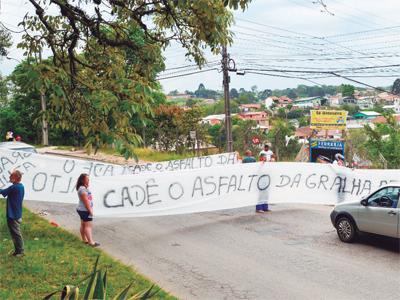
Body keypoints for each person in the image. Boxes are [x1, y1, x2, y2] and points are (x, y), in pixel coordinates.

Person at [0, 170, 25, 257]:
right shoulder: (21, 186)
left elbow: (3, 192)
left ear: (15, 178)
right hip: (16, 214)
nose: (9, 178)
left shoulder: (14, 187)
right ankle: (18, 251)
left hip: (13, 215)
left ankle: (20, 251)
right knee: (15, 233)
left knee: (16, 234)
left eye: (11, 176)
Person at [76, 173, 100, 247]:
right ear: (83, 180)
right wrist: (90, 211)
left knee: (83, 225)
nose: (88, 180)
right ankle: (91, 242)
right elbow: (86, 202)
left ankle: (84, 240)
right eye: (87, 179)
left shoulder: (83, 188)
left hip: (82, 209)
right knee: (88, 226)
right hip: (85, 210)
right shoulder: (82, 189)